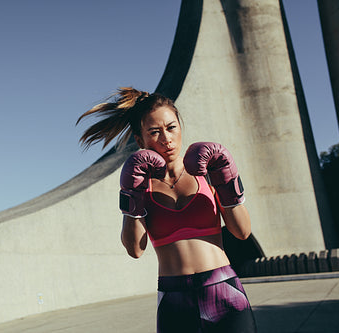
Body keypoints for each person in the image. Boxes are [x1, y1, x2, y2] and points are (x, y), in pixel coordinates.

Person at [77, 87, 257, 332]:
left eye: (171, 128)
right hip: (174, 298)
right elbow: (135, 250)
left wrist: (226, 182)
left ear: (180, 127)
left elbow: (242, 232)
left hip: (223, 289)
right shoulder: (140, 185)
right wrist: (132, 198)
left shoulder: (207, 171)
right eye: (155, 132)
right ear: (140, 140)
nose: (166, 139)